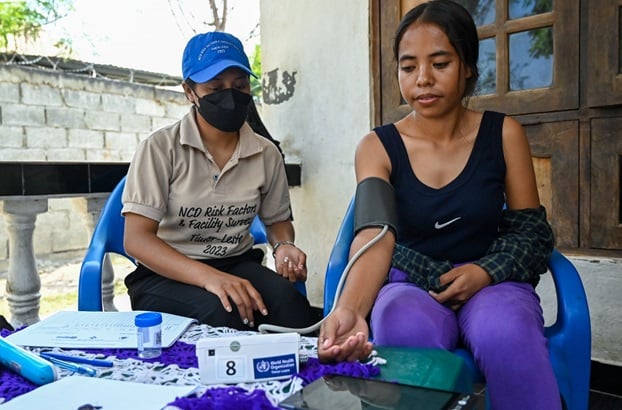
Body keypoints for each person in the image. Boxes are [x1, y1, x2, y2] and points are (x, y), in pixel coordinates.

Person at [317, 1, 561, 409]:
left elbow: (531, 232)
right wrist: (351, 310)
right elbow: (375, 234)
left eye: (440, 63)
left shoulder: (504, 134)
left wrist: (485, 271)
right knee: (401, 326)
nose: (423, 79)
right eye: (408, 67)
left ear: (467, 67)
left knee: (506, 332)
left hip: (493, 284)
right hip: (412, 285)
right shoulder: (377, 146)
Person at [121, 31, 315, 332]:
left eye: (240, 85)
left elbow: (277, 221)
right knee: (224, 315)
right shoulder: (160, 149)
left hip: (237, 264)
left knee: (292, 307)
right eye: (215, 87)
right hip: (165, 274)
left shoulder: (265, 153)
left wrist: (284, 245)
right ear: (189, 92)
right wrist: (209, 278)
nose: (230, 95)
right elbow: (137, 240)